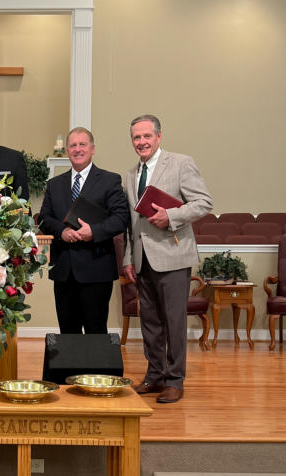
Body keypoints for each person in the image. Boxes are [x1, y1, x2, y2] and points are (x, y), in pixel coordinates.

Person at [122, 114, 213, 404]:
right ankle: (155, 376)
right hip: (142, 259)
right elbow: (131, 224)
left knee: (174, 322)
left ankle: (175, 380)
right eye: (136, 137)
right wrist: (128, 258)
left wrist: (170, 216)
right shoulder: (131, 175)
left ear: (159, 137)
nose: (141, 142)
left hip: (173, 256)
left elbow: (204, 203)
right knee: (150, 323)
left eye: (146, 136)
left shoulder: (181, 163)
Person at [38, 127, 130, 334]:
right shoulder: (54, 184)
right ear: (67, 150)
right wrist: (62, 232)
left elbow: (121, 218)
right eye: (73, 145)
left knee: (95, 332)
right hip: (63, 270)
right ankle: (70, 359)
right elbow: (44, 218)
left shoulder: (109, 180)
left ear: (92, 149)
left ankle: (95, 360)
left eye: (82, 144)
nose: (77, 149)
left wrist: (94, 232)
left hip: (96, 270)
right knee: (67, 333)